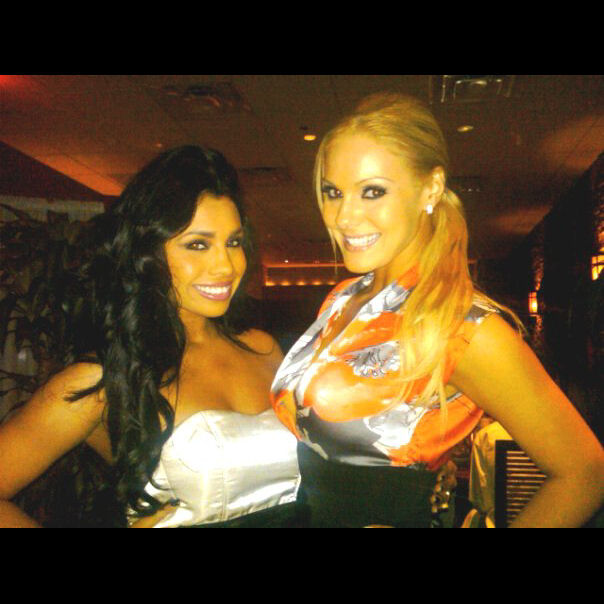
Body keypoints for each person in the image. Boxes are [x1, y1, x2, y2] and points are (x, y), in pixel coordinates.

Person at [270, 93, 604, 528]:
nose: (344, 217)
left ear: (430, 188)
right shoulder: (342, 298)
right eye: (334, 192)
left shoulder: (464, 326)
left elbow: (586, 473)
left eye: (373, 192)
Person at [0, 145, 301, 528]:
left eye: (234, 242)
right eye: (197, 245)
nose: (226, 266)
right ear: (146, 253)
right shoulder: (104, 380)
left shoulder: (263, 348)